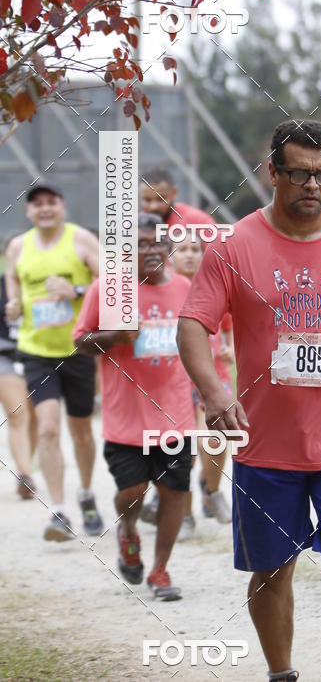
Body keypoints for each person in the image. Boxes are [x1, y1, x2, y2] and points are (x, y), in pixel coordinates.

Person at [177, 120, 321, 682]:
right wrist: (213, 392)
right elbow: (192, 324)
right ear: (273, 173)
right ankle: (281, 673)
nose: (313, 184)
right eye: (300, 173)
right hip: (265, 450)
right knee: (272, 570)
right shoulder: (234, 246)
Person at [73, 213, 195, 601]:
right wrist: (115, 335)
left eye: (157, 243)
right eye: (140, 244)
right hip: (125, 417)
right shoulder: (108, 289)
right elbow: (80, 340)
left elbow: (195, 342)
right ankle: (127, 530)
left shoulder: (184, 288)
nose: (151, 250)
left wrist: (210, 390)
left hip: (175, 414)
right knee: (133, 491)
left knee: (175, 493)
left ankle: (160, 570)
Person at [4, 182, 103, 540]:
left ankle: (87, 494)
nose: (45, 208)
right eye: (37, 204)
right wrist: (13, 304)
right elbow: (13, 282)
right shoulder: (18, 246)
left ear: (62, 206)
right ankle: (59, 511)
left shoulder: (81, 241)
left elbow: (111, 283)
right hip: (36, 351)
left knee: (80, 431)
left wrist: (76, 291)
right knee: (46, 426)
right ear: (28, 211)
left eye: (51, 202)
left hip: (77, 349)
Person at [141, 231, 235, 535]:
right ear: (169, 256)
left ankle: (212, 489)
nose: (190, 255)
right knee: (182, 445)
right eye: (182, 250)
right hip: (175, 377)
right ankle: (183, 511)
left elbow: (229, 326)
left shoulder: (217, 285)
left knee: (218, 434)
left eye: (196, 248)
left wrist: (230, 348)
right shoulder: (163, 291)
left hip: (215, 373)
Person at [0, 240, 36, 499]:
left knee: (35, 417)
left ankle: (27, 469)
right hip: (5, 354)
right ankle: (25, 474)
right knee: (17, 413)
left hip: (37, 354)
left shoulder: (43, 283)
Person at [139, 166, 214, 231]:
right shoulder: (132, 229)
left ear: (174, 192)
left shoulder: (199, 222)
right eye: (147, 200)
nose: (154, 206)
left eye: (161, 199)